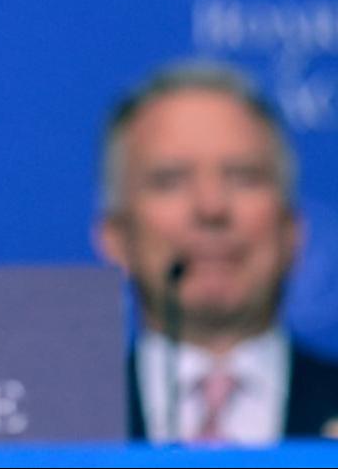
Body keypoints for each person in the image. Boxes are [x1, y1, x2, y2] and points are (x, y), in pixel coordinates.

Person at [94, 62, 338, 443]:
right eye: (170, 180)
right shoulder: (58, 430)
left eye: (243, 177)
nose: (211, 208)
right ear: (115, 237)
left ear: (293, 231)